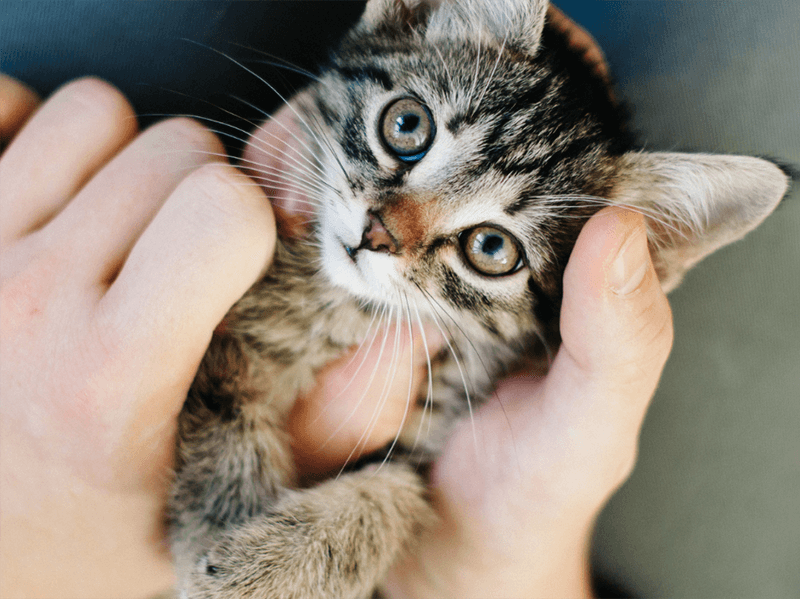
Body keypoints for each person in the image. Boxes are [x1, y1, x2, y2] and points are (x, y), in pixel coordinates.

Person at [0, 72, 671, 598]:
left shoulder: (476, 382)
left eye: (490, 246)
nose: (387, 231)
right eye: (407, 129)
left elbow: (405, 488)